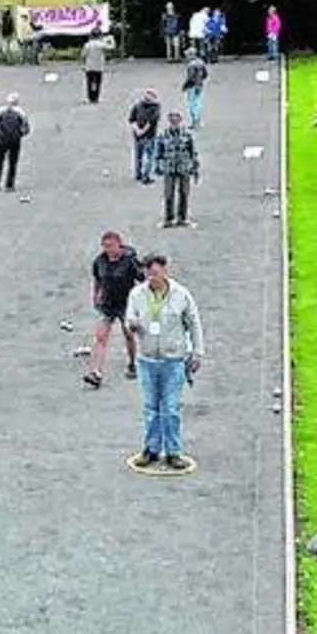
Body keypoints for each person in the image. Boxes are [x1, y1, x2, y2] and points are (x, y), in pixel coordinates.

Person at [124, 254, 205, 469]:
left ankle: (173, 451)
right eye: (148, 273)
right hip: (147, 359)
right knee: (151, 407)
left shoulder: (181, 295)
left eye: (155, 272)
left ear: (165, 271)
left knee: (170, 408)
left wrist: (197, 353)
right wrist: (132, 324)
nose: (152, 277)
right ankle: (151, 449)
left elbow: (194, 323)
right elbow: (129, 317)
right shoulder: (137, 294)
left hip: (173, 360)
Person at [84, 231, 145, 388]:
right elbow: (97, 279)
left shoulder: (130, 261)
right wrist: (96, 296)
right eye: (104, 246)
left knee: (128, 334)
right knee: (101, 337)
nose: (107, 250)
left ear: (119, 245)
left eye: (110, 246)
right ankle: (96, 372)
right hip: (108, 304)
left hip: (126, 303)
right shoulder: (99, 261)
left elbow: (143, 279)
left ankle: (132, 363)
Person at [156, 111, 201, 227]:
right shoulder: (163, 135)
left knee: (184, 193)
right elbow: (159, 153)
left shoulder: (187, 135)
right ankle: (168, 219)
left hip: (184, 167)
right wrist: (158, 167)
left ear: (180, 121)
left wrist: (195, 168)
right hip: (169, 168)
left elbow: (193, 152)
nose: (174, 124)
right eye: (172, 122)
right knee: (168, 194)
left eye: (176, 121)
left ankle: (183, 218)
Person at [0, 94, 31, 191]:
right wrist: (19, 135)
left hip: (2, 140)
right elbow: (26, 129)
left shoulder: (1, 111)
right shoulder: (21, 113)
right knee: (13, 163)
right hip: (15, 141)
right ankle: (9, 185)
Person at [127, 89, 163, 184]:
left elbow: (151, 121)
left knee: (144, 156)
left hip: (145, 135)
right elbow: (132, 119)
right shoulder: (140, 106)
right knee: (145, 156)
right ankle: (142, 175)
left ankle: (142, 174)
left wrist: (139, 131)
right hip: (144, 136)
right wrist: (138, 130)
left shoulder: (153, 107)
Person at [182, 45, 209, 129]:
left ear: (191, 55)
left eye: (187, 55)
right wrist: (200, 81)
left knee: (192, 105)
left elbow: (190, 77)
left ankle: (195, 122)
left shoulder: (191, 65)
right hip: (200, 85)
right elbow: (205, 74)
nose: (186, 57)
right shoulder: (201, 62)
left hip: (192, 86)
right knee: (197, 103)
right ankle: (198, 121)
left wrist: (184, 86)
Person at [80, 32, 107, 105]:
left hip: (89, 66)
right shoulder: (101, 44)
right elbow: (110, 47)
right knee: (98, 82)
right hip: (99, 66)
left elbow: (83, 55)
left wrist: (83, 64)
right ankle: (96, 98)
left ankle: (90, 97)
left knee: (89, 82)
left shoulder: (88, 45)